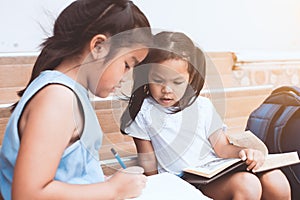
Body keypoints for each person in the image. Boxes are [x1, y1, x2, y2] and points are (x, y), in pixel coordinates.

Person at [0, 0, 152, 199]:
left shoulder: (66, 92)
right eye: (126, 64)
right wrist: (112, 189)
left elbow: (66, 173)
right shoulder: (58, 99)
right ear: (99, 47)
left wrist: (103, 183)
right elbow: (27, 194)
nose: (126, 76)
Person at [120, 31, 291, 200]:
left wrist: (245, 152)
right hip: (186, 181)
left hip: (216, 171)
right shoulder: (144, 111)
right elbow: (149, 164)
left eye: (177, 82)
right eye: (158, 80)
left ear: (191, 78)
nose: (167, 89)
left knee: (276, 179)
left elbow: (222, 148)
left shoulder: (202, 106)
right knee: (247, 185)